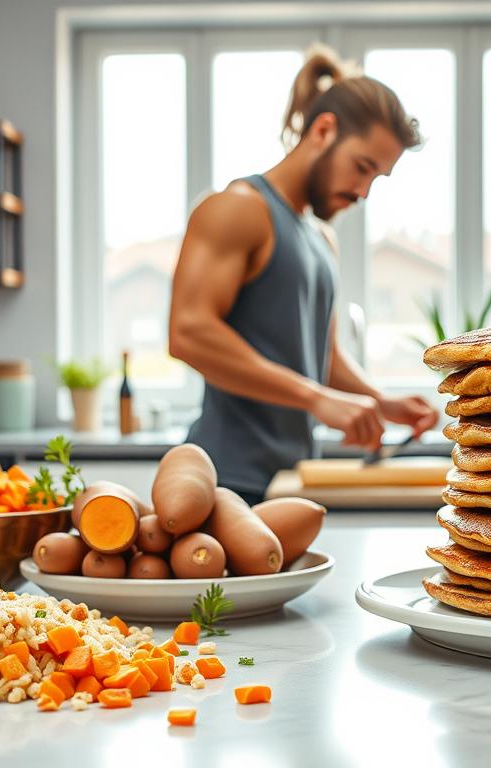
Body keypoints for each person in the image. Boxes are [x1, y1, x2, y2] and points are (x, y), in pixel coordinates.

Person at [168, 44, 438, 506]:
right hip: (224, 480)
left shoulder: (321, 239)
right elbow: (188, 333)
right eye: (362, 167)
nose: (363, 192)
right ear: (324, 130)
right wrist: (316, 399)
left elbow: (321, 358)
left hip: (290, 482)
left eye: (377, 178)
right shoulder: (238, 208)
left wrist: (380, 402)